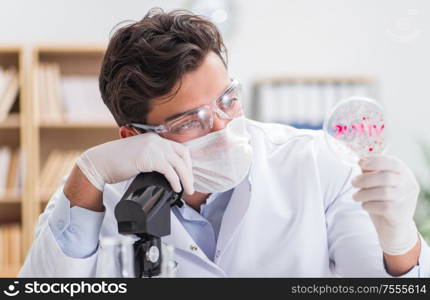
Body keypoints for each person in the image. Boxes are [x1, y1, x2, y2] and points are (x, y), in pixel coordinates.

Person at [19, 8, 429, 277]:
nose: (223, 127)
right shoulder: (98, 195)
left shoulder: (317, 162)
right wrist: (86, 174)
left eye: (228, 100)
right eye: (190, 122)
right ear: (133, 137)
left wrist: (399, 240)